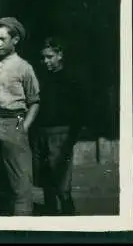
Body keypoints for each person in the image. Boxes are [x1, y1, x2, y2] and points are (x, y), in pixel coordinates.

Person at [0, 17, 40, 216]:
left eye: (2, 39)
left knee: (20, 182)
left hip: (14, 124)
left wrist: (24, 127)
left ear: (15, 40)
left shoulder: (24, 67)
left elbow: (34, 102)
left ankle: (22, 227)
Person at [35, 37, 83, 215]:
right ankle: (50, 214)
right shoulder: (42, 77)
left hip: (61, 134)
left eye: (50, 57)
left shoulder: (71, 79)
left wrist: (71, 137)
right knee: (46, 181)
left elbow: (80, 110)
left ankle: (69, 216)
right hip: (41, 134)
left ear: (60, 55)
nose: (46, 61)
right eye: (43, 58)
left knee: (62, 183)